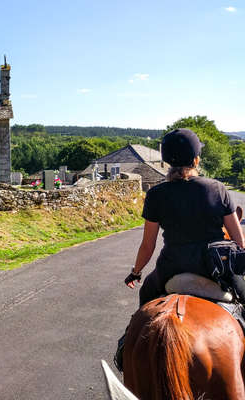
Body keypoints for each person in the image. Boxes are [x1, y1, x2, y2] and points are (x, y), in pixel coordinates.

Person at [115, 128, 245, 371]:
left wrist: (136, 271)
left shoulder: (156, 194)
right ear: (196, 160)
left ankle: (126, 346)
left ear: (166, 161)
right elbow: (239, 241)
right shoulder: (217, 188)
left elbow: (148, 244)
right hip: (215, 267)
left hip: (171, 267)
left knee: (146, 298)